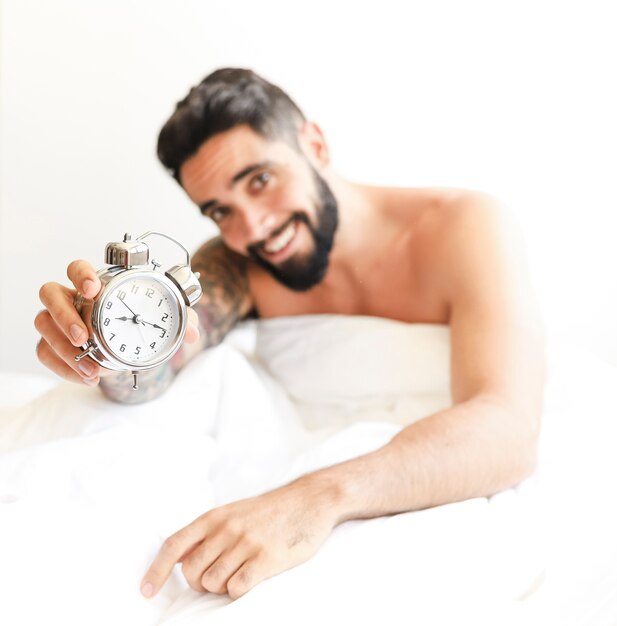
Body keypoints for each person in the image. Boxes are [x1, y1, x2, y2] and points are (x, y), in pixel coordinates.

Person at [34, 68, 545, 601]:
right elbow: (157, 369)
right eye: (220, 212)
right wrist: (101, 350)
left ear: (315, 145)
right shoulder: (237, 266)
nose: (252, 229)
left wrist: (313, 499)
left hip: (430, 481)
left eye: (259, 180)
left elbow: (508, 430)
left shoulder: (464, 225)